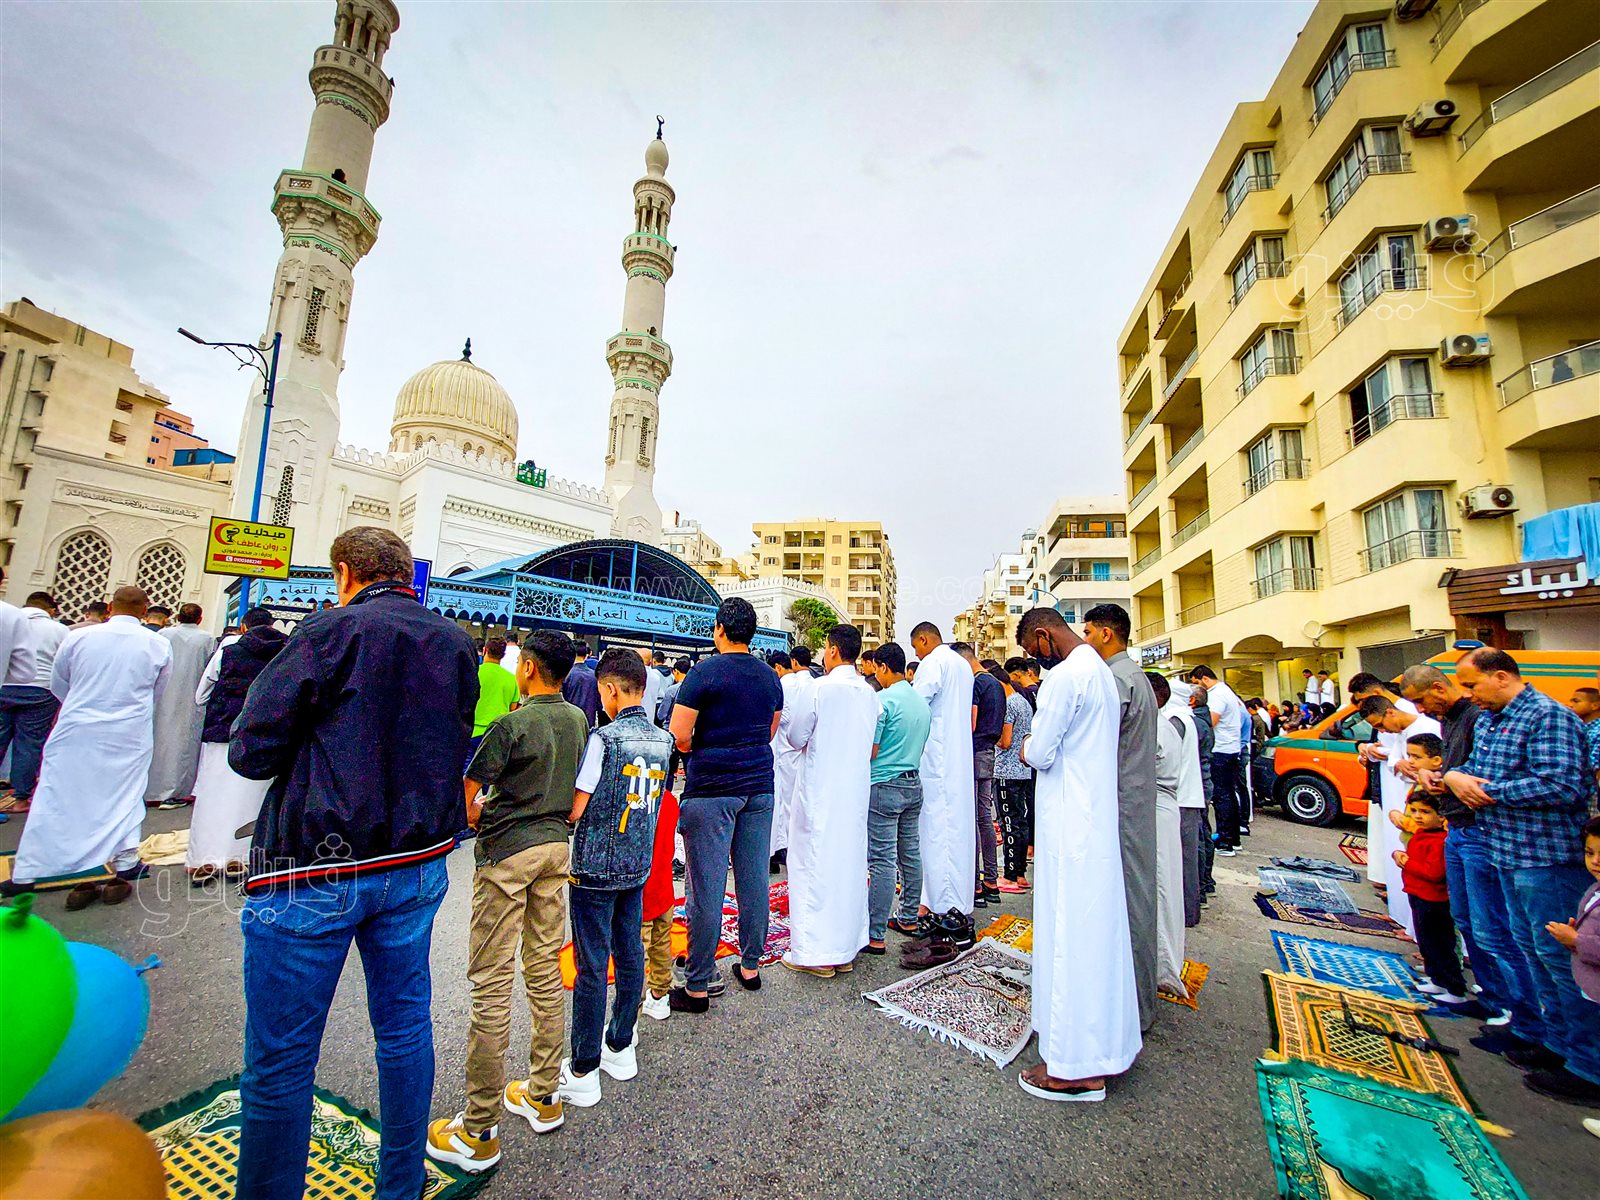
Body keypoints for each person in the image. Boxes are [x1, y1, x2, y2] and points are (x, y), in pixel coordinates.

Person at [229, 528, 478, 1200]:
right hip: (415, 861)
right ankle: (401, 1185)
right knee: (404, 1029)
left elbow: (250, 750)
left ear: (345, 573)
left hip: (316, 865)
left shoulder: (328, 632)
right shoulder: (453, 641)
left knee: (281, 1062)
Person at [1444, 648, 1600, 1104]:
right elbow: (1472, 769)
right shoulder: (1491, 720)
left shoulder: (1548, 718)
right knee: (1532, 953)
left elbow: (1562, 784)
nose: (1468, 695)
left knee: (1562, 959)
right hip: (1506, 851)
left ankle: (1588, 1066)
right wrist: (1454, 778)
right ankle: (1555, 1042)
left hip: (1545, 856)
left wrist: (1488, 792)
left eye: (1472, 685)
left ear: (1501, 676)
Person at [1015, 607, 1140, 1101]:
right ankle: (1099, 1049)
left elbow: (1041, 751)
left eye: (1033, 649)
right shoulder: (1102, 673)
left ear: (1044, 635)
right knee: (1094, 937)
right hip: (1094, 821)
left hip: (1070, 823)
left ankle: (1073, 1069)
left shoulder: (1066, 678)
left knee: (1069, 937)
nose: (1035, 659)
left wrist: (1026, 744)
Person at [4, 585, 171, 909]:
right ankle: (124, 863)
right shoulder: (157, 644)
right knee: (124, 796)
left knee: (58, 795)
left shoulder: (79, 637)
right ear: (144, 610)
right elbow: (157, 691)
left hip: (77, 727)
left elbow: (59, 683)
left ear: (110, 607)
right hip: (128, 731)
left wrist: (83, 706)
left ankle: (27, 872)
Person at [560, 649, 674, 1106]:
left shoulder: (603, 739)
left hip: (595, 866)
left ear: (609, 690)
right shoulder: (664, 741)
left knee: (591, 964)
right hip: (637, 862)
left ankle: (583, 1068)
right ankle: (621, 1043)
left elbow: (576, 807)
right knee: (630, 953)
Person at [668, 597, 784, 1012]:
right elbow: (769, 732)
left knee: (706, 885)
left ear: (719, 629)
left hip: (712, 788)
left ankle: (698, 983)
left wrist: (704, 747)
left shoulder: (704, 673)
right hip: (759, 786)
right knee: (753, 879)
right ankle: (750, 966)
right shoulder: (770, 677)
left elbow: (680, 734)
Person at [1400, 662, 1512, 1026]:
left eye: (1421, 701)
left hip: (1479, 829)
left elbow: (1481, 774)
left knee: (1488, 924)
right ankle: (1489, 994)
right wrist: (1436, 776)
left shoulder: (1476, 718)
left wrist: (1448, 777)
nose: (1420, 711)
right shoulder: (1450, 720)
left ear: (1437, 688)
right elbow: (1459, 769)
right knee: (1466, 919)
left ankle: (1507, 1005)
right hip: (1460, 827)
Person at [782, 623, 879, 977]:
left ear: (833, 650)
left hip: (820, 791)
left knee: (812, 866)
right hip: (853, 793)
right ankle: (844, 949)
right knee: (848, 867)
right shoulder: (869, 693)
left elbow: (795, 736)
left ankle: (815, 954)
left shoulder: (819, 688)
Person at [1084, 603, 1158, 1032]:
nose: (1086, 640)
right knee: (1137, 897)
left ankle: (1130, 1009)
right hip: (1136, 800)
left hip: (1122, 803)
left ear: (1106, 634)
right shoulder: (1134, 676)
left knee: (1127, 902)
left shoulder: (1115, 680)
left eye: (1089, 632)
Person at [187, 607, 288, 880]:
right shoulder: (285, 652)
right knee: (254, 799)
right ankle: (243, 857)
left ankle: (205, 858)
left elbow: (201, 695)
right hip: (265, 736)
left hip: (223, 733)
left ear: (243, 627)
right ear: (272, 625)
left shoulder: (228, 652)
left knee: (214, 795)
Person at [907, 621, 976, 948]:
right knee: (954, 833)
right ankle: (944, 904)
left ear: (924, 640)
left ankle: (943, 909)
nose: (917, 654)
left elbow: (916, 706)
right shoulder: (961, 664)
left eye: (916, 647)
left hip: (937, 759)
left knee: (937, 833)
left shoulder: (934, 662)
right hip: (956, 758)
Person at [864, 641, 931, 954]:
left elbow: (872, 749)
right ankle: (908, 917)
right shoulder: (921, 703)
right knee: (910, 854)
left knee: (882, 860)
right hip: (913, 783)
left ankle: (875, 934)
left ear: (882, 667)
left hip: (884, 785)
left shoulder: (883, 701)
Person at [1357, 695, 1442, 937]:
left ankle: (1424, 938)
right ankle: (1407, 922)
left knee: (1429, 887)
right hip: (1406, 806)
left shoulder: (1427, 728)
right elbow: (1395, 759)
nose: (1383, 732)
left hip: (1426, 817)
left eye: (1381, 725)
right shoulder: (1402, 732)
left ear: (1390, 713)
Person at [1393, 742, 1471, 1006]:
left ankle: (1454, 987)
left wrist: (1406, 863)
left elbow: (1434, 872)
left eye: (1425, 812)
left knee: (1440, 944)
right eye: (1414, 811)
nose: (1418, 817)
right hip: (1418, 895)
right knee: (1426, 942)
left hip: (1434, 900)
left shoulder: (1439, 840)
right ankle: (1436, 978)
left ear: (1442, 816)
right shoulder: (1422, 835)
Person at [142, 603, 214, 811]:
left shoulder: (163, 635)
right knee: (184, 746)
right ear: (200, 618)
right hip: (191, 696)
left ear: (177, 617)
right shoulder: (206, 638)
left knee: (157, 741)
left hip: (162, 695)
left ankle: (150, 790)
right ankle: (177, 792)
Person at [0, 591, 67, 813]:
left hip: (4, 686)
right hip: (40, 690)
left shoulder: (8, 619)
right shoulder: (59, 630)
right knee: (30, 744)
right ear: (50, 610)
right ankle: (21, 798)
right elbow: (64, 664)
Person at [1146, 673, 1188, 998]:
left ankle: (1162, 968)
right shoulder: (1166, 726)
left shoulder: (1154, 729)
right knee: (1164, 886)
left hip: (1156, 809)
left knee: (1159, 887)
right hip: (1163, 808)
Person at [955, 641, 1006, 907]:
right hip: (989, 752)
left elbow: (971, 722)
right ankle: (991, 882)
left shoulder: (976, 683)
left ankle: (974, 883)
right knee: (985, 818)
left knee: (973, 819)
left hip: (974, 753)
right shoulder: (997, 684)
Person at [639, 749, 682, 1023]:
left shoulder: (635, 802)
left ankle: (628, 1014)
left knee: (635, 953)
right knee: (662, 944)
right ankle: (659, 994)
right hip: (664, 890)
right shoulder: (669, 801)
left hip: (640, 893)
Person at [1187, 665, 1244, 859]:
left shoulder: (1217, 694)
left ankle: (1225, 841)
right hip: (1230, 748)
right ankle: (1233, 838)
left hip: (1221, 750)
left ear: (1204, 679)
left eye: (1197, 683)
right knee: (1228, 795)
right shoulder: (1227, 691)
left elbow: (1211, 722)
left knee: (1221, 797)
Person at [1163, 678, 1207, 928]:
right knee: (1187, 857)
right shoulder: (1185, 718)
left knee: (1183, 859)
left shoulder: (1175, 721)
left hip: (1181, 798)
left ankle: (1187, 913)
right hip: (1186, 796)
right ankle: (1189, 909)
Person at [769, 646, 817, 873]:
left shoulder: (785, 685)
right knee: (796, 801)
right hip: (801, 750)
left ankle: (779, 848)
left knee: (781, 802)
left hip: (784, 748)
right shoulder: (813, 684)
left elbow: (786, 716)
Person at [993, 664, 1034, 895]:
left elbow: (1005, 741)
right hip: (1023, 769)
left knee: (1008, 824)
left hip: (1006, 771)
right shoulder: (1024, 702)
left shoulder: (1008, 705)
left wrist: (992, 738)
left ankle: (1009, 875)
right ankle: (1020, 873)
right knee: (1020, 823)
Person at [1187, 683, 1217, 904]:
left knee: (1198, 836)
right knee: (1203, 832)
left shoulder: (1194, 724)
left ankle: (1201, 887)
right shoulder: (1203, 721)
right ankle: (1206, 882)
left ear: (1192, 701)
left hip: (1198, 783)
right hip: (1203, 781)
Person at [470, 637, 520, 764]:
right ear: (503, 655)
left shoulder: (474, 673)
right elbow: (513, 709)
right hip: (497, 734)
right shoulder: (511, 679)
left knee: (466, 771)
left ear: (485, 650)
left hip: (471, 731)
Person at [1568, 686, 1600, 804]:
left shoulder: (1597, 732)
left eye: (1576, 701)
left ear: (1595, 705)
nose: (1571, 705)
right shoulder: (1583, 729)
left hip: (1594, 796)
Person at [562, 639, 600, 728]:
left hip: (568, 721)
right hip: (589, 722)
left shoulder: (565, 674)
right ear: (586, 656)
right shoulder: (594, 676)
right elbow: (598, 703)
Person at [636, 647, 665, 725]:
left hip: (633, 718)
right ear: (650, 662)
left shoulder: (632, 675)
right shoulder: (656, 677)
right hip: (649, 717)